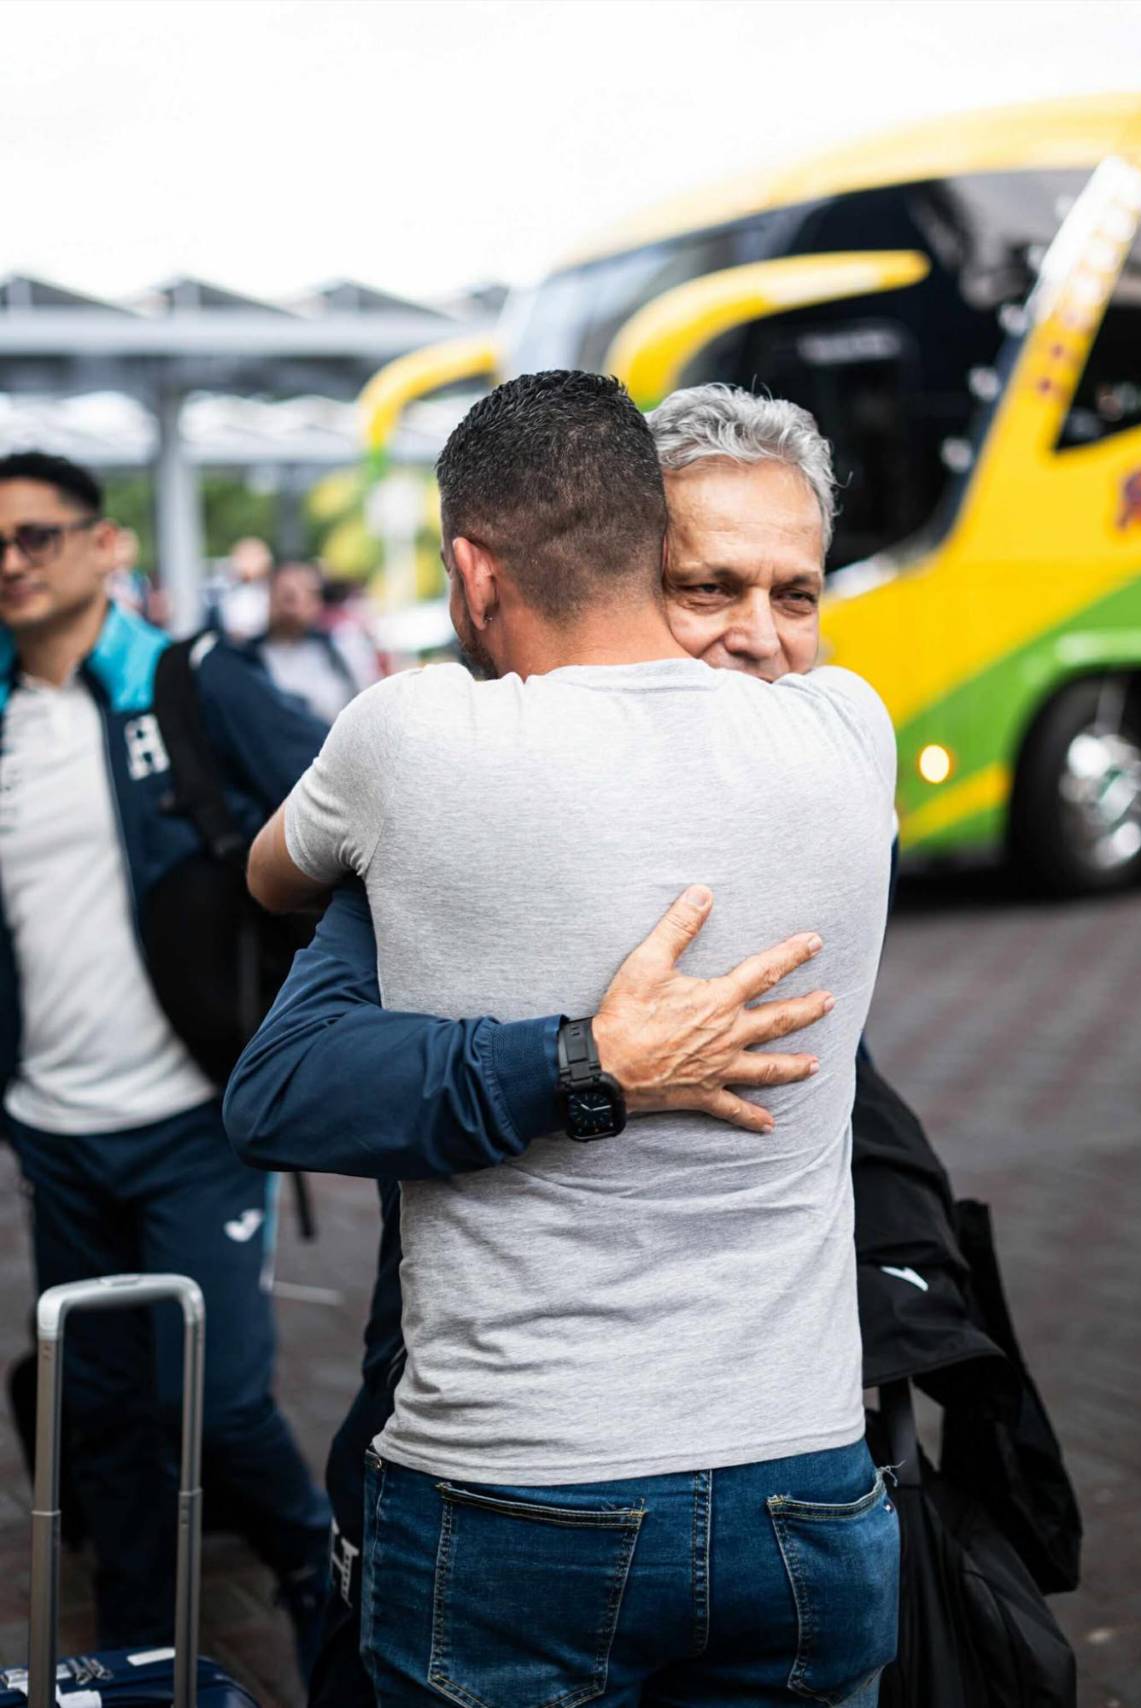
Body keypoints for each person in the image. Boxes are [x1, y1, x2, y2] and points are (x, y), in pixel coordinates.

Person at [243, 372, 899, 1705]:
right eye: (709, 588)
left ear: (483, 573)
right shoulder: (856, 739)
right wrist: (584, 1057)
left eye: (797, 594)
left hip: (530, 1489)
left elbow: (273, 887)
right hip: (804, 1498)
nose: (761, 638)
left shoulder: (423, 740)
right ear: (626, 558)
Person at [0, 452, 331, 1667]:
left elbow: (343, 804)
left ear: (107, 544)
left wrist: (300, 1013)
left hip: (196, 1114)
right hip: (54, 1126)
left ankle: (312, 1565)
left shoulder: (186, 683)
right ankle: (139, 1646)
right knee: (100, 1412)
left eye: (38, 535)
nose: (14, 563)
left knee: (224, 1401)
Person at [248, 560, 378, 724]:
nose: (294, 605)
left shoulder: (341, 649)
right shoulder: (247, 658)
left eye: (307, 593)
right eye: (287, 595)